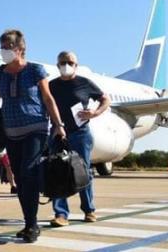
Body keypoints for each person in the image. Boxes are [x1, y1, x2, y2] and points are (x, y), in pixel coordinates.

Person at [0, 29, 65, 243]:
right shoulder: (0, 73)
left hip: (35, 129)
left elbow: (48, 99)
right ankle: (29, 220)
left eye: (7, 47)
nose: (3, 51)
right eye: (1, 47)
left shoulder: (35, 70)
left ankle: (31, 224)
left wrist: (58, 124)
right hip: (11, 132)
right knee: (20, 178)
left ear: (20, 49)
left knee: (28, 172)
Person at [48, 51, 111, 227]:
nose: (66, 65)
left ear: (76, 65)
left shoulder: (84, 83)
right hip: (58, 133)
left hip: (80, 133)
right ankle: (61, 214)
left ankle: (89, 210)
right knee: (57, 172)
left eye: (70, 62)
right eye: (62, 62)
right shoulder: (51, 85)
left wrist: (95, 112)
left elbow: (105, 99)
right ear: (57, 65)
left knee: (83, 171)